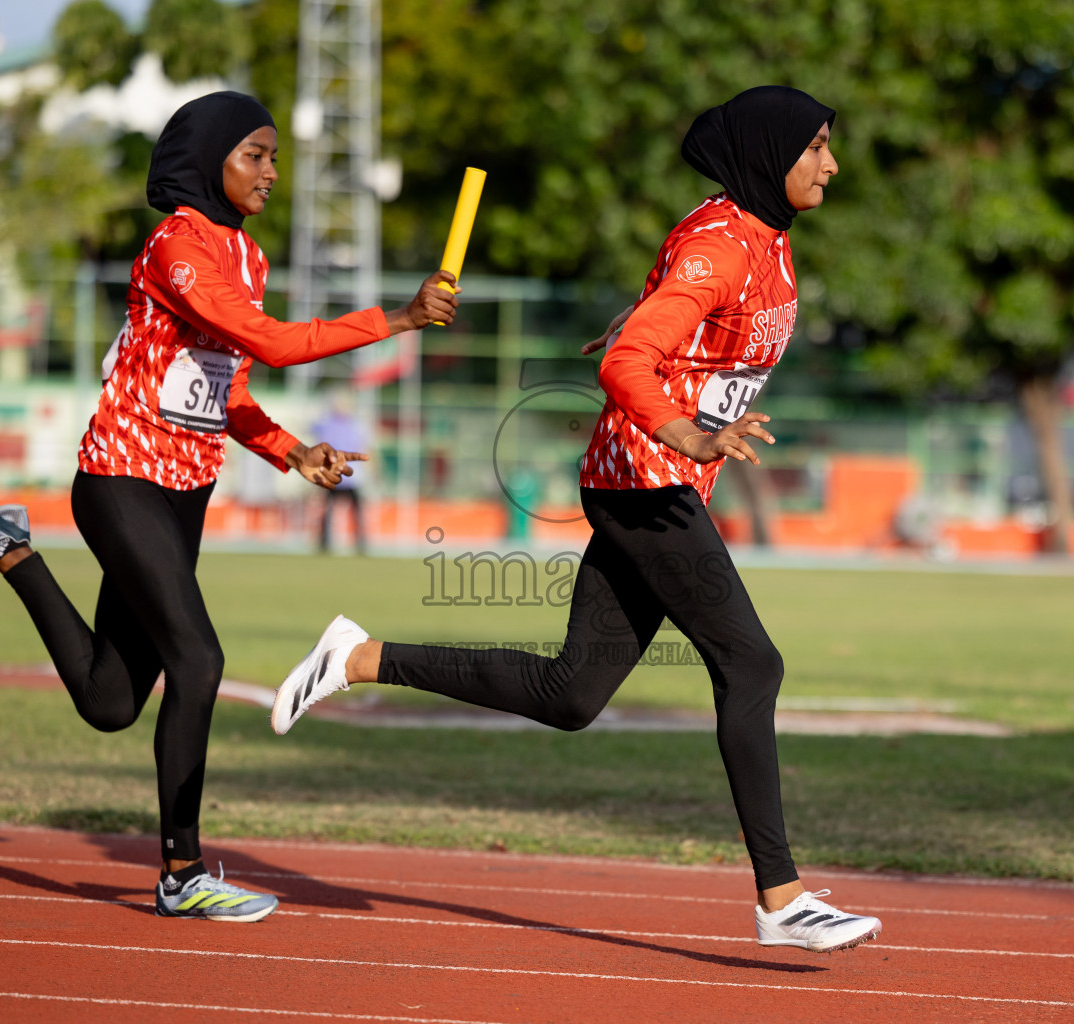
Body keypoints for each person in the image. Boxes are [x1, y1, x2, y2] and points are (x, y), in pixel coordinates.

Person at [271, 86, 880, 953]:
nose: (830, 163)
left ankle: (358, 655)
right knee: (752, 664)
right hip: (647, 478)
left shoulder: (761, 237)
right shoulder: (722, 242)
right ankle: (781, 901)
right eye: (815, 146)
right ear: (768, 152)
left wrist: (642, 328)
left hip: (653, 479)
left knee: (571, 696)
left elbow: (672, 317)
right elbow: (636, 360)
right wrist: (682, 426)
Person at [0, 91, 458, 922]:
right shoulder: (176, 246)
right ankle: (180, 873)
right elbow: (275, 343)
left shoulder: (249, 257)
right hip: (121, 480)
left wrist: (291, 450)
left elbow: (230, 388)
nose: (273, 171)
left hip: (184, 495)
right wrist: (398, 317)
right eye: (255, 155)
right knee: (198, 662)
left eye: (275, 155)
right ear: (209, 159)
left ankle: (8, 548)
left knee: (109, 701)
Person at [312, 391, 368, 554]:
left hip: (352, 475)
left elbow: (364, 448)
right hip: (334, 473)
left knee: (356, 511)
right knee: (328, 509)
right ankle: (324, 542)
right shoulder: (327, 424)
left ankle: (360, 542)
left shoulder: (355, 425)